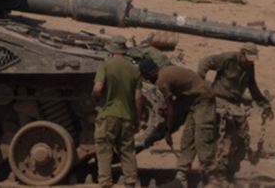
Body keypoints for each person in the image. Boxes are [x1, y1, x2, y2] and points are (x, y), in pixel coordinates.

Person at [139, 58, 221, 185]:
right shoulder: (166, 71)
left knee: (202, 139)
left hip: (203, 101)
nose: (147, 80)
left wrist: (168, 132)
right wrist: (169, 105)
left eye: (145, 76)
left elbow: (172, 110)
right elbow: (183, 92)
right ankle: (181, 174)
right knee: (187, 139)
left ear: (150, 73)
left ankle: (212, 178)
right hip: (193, 101)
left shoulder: (162, 80)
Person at [198, 44, 272, 183]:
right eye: (248, 59)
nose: (250, 62)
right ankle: (217, 176)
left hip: (234, 106)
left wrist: (263, 103)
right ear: (242, 54)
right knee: (223, 143)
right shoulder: (227, 59)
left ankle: (230, 175)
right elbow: (205, 62)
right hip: (219, 105)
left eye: (252, 59)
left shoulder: (249, 66)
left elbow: (252, 86)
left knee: (240, 144)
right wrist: (200, 83)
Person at [93, 36, 142, 188]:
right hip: (126, 116)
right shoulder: (134, 70)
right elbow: (138, 97)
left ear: (112, 51)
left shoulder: (105, 66)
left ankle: (106, 183)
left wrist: (97, 98)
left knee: (104, 150)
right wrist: (137, 118)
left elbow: (97, 88)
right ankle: (131, 181)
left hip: (108, 115)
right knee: (128, 151)